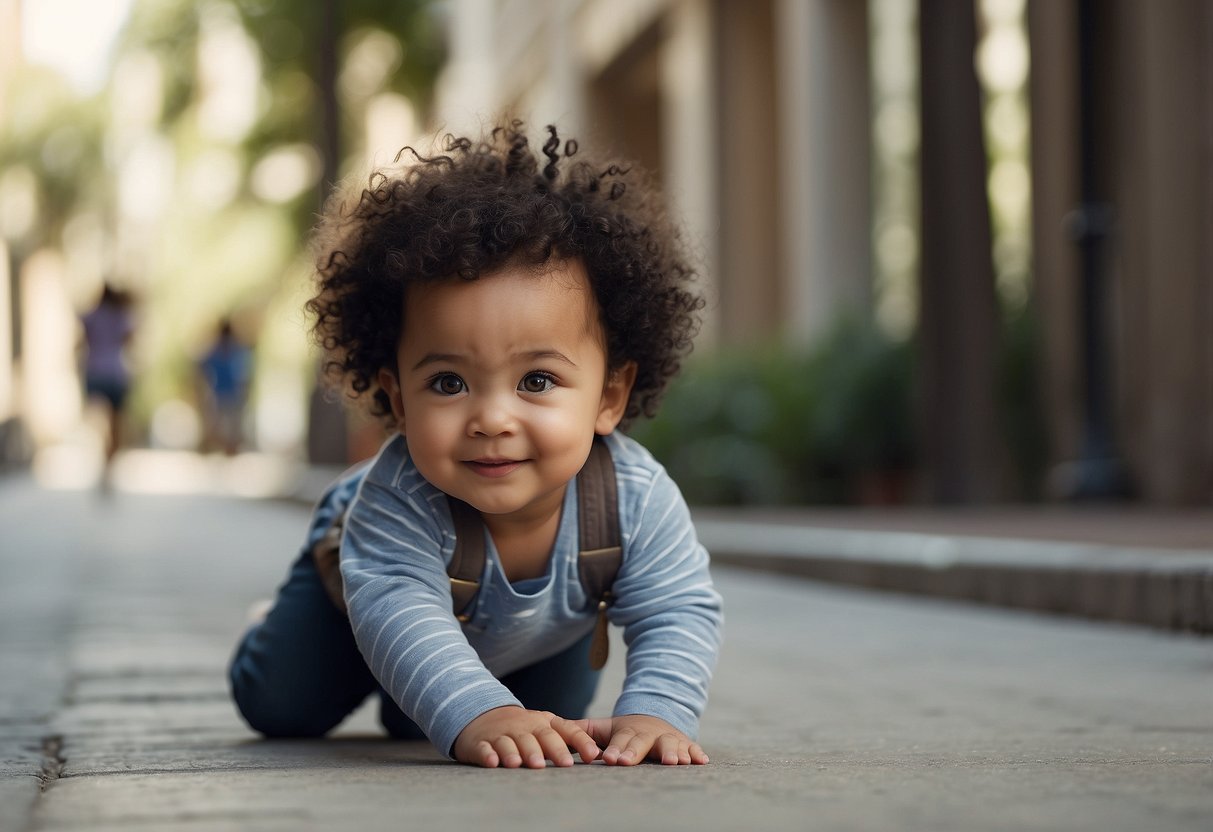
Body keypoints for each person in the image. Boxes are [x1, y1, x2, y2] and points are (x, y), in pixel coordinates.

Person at [228, 123, 723, 769]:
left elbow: (677, 609)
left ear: (609, 395)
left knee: (529, 732)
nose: (491, 418)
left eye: (537, 380)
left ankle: (433, 697)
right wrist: (481, 712)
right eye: (448, 382)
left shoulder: (633, 497)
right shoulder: (400, 495)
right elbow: (397, 609)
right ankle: (274, 629)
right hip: (358, 591)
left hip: (538, 634)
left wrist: (656, 714)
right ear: (399, 400)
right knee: (283, 708)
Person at [80, 283, 135, 473]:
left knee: (99, 418)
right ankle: (109, 459)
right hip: (115, 374)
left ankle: (104, 452)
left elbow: (82, 340)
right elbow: (130, 341)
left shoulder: (91, 317)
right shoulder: (121, 317)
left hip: (95, 371)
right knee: (115, 424)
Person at [197, 318, 252, 455]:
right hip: (225, 393)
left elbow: (202, 366)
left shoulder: (231, 349)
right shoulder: (234, 349)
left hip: (225, 393)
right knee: (224, 424)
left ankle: (228, 448)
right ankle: (224, 447)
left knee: (227, 424)